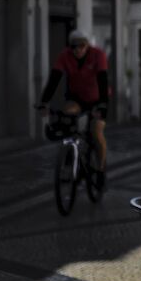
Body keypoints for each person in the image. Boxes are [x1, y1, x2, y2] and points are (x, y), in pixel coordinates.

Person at [36, 29, 110, 187]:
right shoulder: (65, 56)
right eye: (74, 47)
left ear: (87, 45)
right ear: (70, 47)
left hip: (98, 98)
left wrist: (103, 105)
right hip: (77, 98)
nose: (78, 50)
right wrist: (44, 102)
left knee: (96, 132)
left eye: (82, 46)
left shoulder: (98, 55)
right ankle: (70, 162)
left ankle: (101, 169)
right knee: (67, 119)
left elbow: (103, 80)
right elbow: (54, 80)